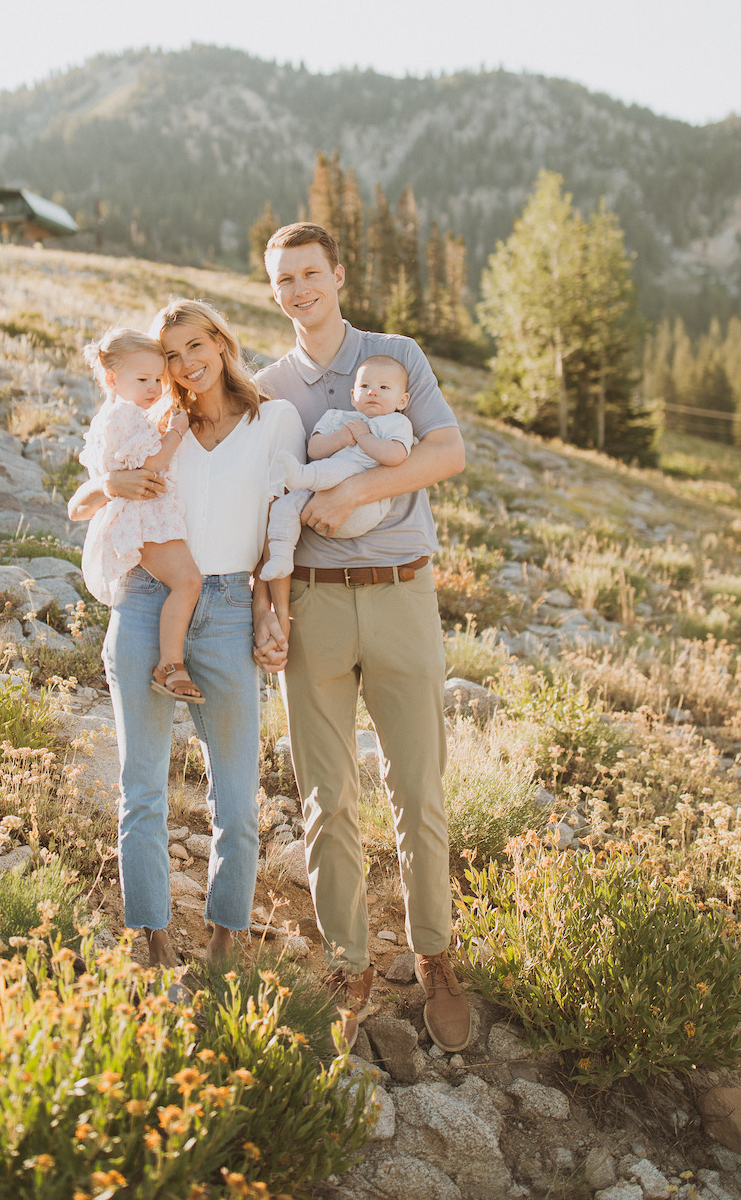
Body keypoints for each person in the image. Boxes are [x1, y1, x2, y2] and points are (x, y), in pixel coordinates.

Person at [253, 221, 471, 1053]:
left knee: (419, 787)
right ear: (274, 292)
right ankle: (349, 962)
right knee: (325, 796)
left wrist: (352, 496)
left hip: (400, 594)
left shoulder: (396, 355)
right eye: (283, 279)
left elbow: (447, 452)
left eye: (310, 272)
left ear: (337, 274)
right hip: (311, 603)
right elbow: (261, 500)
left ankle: (434, 955)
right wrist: (268, 608)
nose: (299, 289)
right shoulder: (270, 385)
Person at [68, 299, 303, 973]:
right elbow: (81, 501)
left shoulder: (273, 421)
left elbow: (282, 527)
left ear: (222, 343)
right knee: (141, 789)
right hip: (147, 603)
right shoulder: (152, 419)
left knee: (236, 796)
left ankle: (226, 939)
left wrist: (269, 611)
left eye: (195, 346)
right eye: (170, 355)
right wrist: (108, 482)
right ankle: (155, 937)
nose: (185, 364)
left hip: (229, 607)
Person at [79, 328, 204, 703]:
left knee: (183, 581)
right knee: (187, 581)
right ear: (112, 379)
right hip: (142, 516)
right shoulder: (126, 416)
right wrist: (177, 431)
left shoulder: (118, 415)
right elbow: (151, 465)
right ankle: (170, 664)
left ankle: (170, 661)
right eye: (143, 379)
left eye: (157, 380)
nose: (153, 388)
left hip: (140, 511)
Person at [261, 354, 413, 580]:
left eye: (383, 387)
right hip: (319, 498)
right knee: (285, 505)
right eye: (365, 386)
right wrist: (341, 437)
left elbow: (395, 456)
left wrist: (363, 437)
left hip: (363, 507)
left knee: (343, 467)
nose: (372, 392)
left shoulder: (396, 423)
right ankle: (281, 557)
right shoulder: (336, 418)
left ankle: (300, 476)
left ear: (402, 401)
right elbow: (315, 450)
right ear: (353, 396)